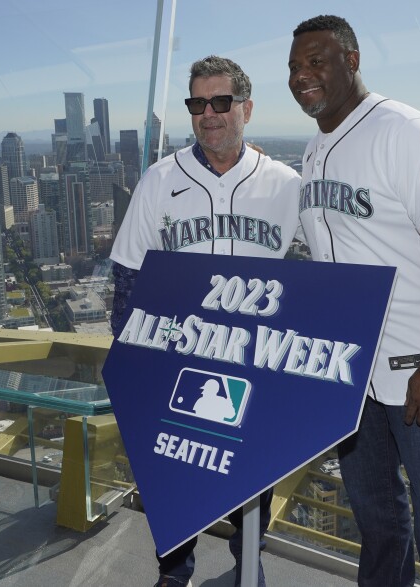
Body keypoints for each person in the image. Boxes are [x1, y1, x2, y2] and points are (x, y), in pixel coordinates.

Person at [288, 15, 420, 587]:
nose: (303, 76)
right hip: (353, 375)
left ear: (351, 60)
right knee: (378, 521)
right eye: (295, 67)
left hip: (419, 369)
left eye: (316, 61)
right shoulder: (314, 148)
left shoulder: (407, 131)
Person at [109, 55, 300, 587]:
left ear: (247, 108)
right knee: (174, 473)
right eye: (198, 103)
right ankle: (174, 572)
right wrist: (132, 367)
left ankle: (248, 565)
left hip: (254, 363)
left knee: (252, 476)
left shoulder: (286, 186)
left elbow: (310, 283)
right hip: (175, 357)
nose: (209, 113)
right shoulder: (160, 179)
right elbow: (127, 277)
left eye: (221, 101)